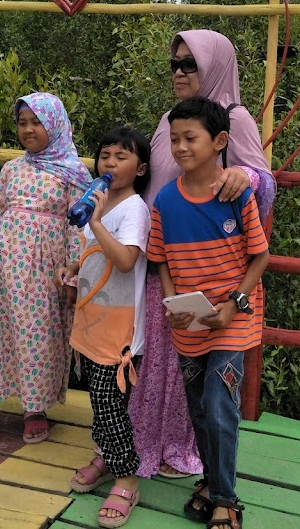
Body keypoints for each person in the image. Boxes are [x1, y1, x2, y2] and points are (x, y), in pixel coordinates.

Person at [128, 29, 276, 481]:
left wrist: (245, 177)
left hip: (210, 269)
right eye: (174, 63)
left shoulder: (235, 118)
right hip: (163, 258)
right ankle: (150, 438)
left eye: (189, 64)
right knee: (161, 357)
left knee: (196, 368)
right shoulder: (169, 120)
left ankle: (189, 453)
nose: (179, 72)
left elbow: (264, 179)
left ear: (215, 66)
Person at [148, 96, 270, 529]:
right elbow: (160, 259)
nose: (180, 147)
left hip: (233, 319)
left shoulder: (235, 195)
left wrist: (234, 305)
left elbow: (260, 257)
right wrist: (171, 305)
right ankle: (212, 481)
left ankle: (225, 500)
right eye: (174, 139)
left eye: (190, 138)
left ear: (219, 141)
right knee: (200, 408)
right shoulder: (165, 199)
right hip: (189, 323)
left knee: (220, 405)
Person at [0, 92, 92, 449]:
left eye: (36, 122)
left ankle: (34, 408)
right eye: (22, 122)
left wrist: (73, 273)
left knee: (38, 336)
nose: (28, 130)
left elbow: (78, 229)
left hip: (45, 272)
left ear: (55, 125)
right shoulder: (11, 169)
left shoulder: (74, 174)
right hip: (3, 268)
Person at [59, 127, 151, 528]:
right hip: (92, 317)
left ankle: (127, 477)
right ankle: (107, 456)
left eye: (121, 157)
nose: (110, 163)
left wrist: (95, 221)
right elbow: (93, 251)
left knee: (109, 402)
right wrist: (72, 267)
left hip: (120, 327)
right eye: (105, 156)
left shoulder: (134, 208)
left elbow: (126, 261)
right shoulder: (100, 201)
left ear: (140, 168)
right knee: (99, 400)